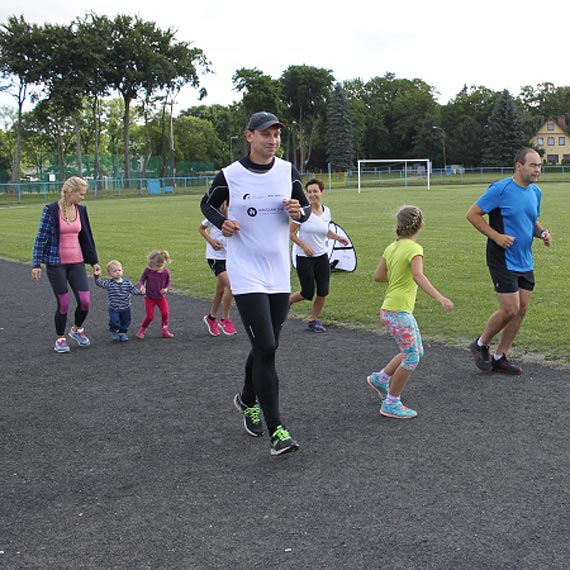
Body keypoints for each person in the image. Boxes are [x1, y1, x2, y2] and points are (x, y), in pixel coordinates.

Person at [200, 111, 311, 456]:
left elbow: (305, 209)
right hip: (246, 272)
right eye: (265, 134)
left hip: (278, 272)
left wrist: (298, 211)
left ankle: (246, 398)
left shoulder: (287, 171)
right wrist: (224, 222)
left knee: (266, 345)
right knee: (266, 346)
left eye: (276, 134)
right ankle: (277, 429)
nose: (272, 140)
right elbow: (207, 205)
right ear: (249, 137)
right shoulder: (230, 175)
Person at [466, 147, 552, 375]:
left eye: (539, 166)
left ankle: (500, 356)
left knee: (522, 309)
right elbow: (473, 214)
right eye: (533, 165)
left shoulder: (536, 192)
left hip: (525, 258)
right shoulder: (500, 189)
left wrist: (542, 233)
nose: (537, 170)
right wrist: (496, 236)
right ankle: (481, 344)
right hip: (501, 258)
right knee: (510, 308)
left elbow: (531, 221)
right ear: (519, 166)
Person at [367, 205, 454, 419]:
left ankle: (381, 379)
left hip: (392, 308)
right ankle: (391, 403)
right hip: (398, 311)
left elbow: (378, 276)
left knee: (415, 351)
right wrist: (439, 297)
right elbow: (418, 275)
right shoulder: (415, 249)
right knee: (412, 356)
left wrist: (397, 278)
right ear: (420, 224)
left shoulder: (392, 248)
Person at [31, 176, 100, 353]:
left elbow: (87, 238)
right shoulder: (51, 210)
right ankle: (60, 338)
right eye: (81, 194)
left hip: (76, 263)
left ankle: (77, 330)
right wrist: (36, 264)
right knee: (63, 303)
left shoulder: (81, 210)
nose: (83, 197)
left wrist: (93, 262)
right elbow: (41, 238)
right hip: (56, 264)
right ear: (71, 192)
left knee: (85, 302)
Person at [289, 177, 349, 333]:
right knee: (307, 292)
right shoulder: (303, 212)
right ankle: (285, 303)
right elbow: (290, 232)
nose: (312, 195)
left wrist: (338, 238)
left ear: (321, 192)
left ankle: (313, 320)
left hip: (322, 257)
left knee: (323, 291)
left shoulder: (326, 211)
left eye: (315, 191)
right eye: (309, 192)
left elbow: (325, 230)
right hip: (304, 257)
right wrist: (304, 246)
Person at [199, 202, 237, 336]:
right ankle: (225, 319)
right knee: (232, 287)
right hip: (215, 256)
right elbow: (201, 229)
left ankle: (211, 318)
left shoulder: (235, 214)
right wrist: (211, 241)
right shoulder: (214, 215)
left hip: (229, 256)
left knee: (220, 291)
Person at [93, 260, 143, 342]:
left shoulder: (127, 282)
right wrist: (97, 277)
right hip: (114, 308)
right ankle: (114, 330)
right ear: (109, 274)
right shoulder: (109, 283)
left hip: (126, 307)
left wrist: (140, 292)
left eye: (119, 270)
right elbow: (99, 283)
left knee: (126, 321)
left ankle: (122, 333)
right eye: (114, 271)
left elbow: (133, 290)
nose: (117, 272)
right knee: (114, 321)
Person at [136, 250, 174, 339]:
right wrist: (142, 286)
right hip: (149, 297)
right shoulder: (148, 270)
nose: (153, 268)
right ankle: (142, 329)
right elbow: (142, 279)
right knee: (150, 316)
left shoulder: (165, 272)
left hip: (160, 297)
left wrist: (166, 289)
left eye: (156, 266)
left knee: (165, 313)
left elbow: (168, 281)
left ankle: (165, 329)